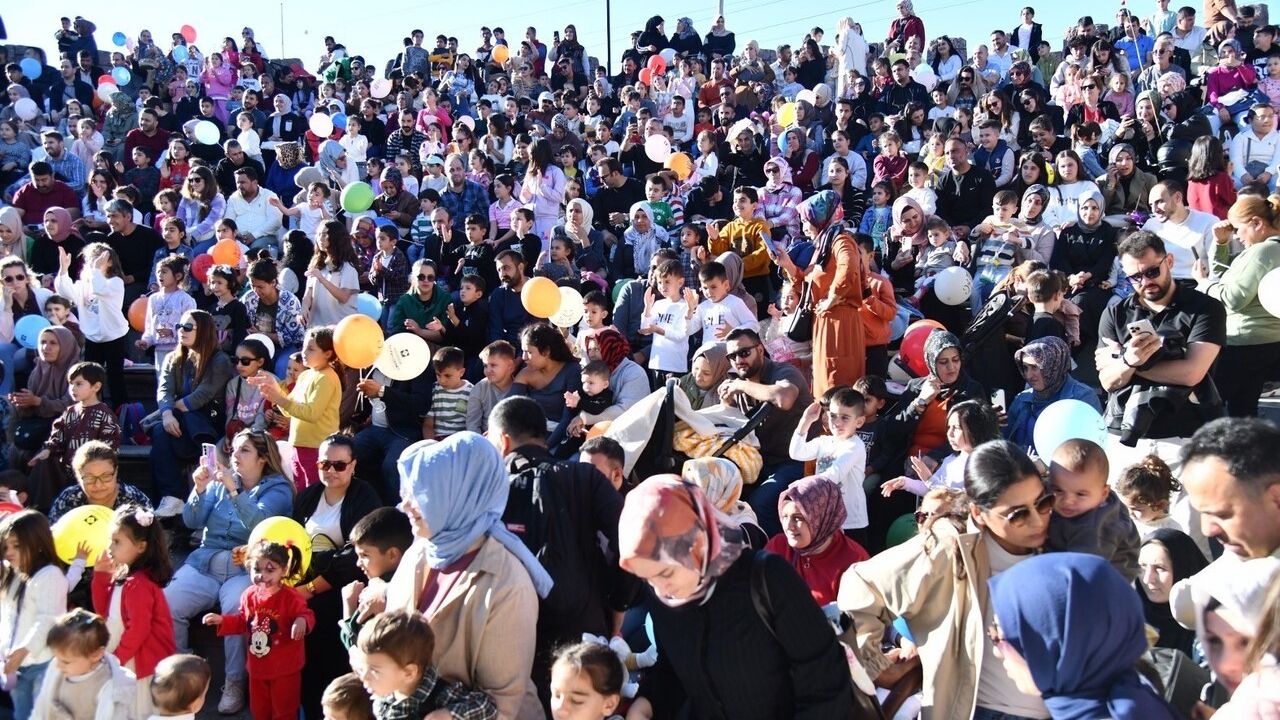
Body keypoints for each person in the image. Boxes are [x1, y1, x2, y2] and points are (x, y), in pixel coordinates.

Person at [840, 440, 1053, 720]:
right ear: (979, 514)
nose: (1037, 520)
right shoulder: (948, 548)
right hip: (976, 711)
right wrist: (875, 666)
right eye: (1018, 514)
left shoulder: (1062, 539)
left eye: (1043, 503)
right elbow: (861, 584)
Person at [619, 475, 856, 720]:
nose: (660, 589)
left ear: (697, 544)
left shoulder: (767, 579)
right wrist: (645, 705)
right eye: (647, 578)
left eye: (665, 573)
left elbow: (826, 680)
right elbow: (674, 669)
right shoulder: (665, 597)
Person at [385, 433, 550, 720]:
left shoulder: (508, 585)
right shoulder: (420, 552)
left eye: (420, 493)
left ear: (458, 494)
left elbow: (502, 705)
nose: (405, 505)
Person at [486, 396, 633, 707]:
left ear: (502, 441)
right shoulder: (584, 476)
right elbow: (632, 541)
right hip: (585, 628)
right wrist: (616, 606)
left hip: (511, 635)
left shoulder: (489, 492)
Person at [165, 428, 293, 715]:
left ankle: (234, 682)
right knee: (168, 602)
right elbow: (191, 520)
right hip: (205, 564)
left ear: (263, 458)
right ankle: (181, 673)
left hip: (244, 570)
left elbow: (260, 522)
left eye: (244, 450)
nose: (235, 455)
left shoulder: (279, 489)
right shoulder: (220, 481)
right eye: (233, 449)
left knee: (237, 610)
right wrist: (199, 489)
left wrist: (235, 492)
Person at [987, 552, 1181, 719]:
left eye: (1002, 638)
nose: (997, 652)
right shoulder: (1139, 700)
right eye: (993, 631)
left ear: (1062, 646)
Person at [1096, 231, 1226, 477]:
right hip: (1125, 433)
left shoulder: (1205, 308)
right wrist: (1128, 360)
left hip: (1186, 434)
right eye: (1135, 277)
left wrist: (1129, 362)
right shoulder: (1115, 313)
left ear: (1169, 261)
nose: (1145, 281)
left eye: (1152, 272)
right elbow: (1108, 381)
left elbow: (1191, 373)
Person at [291, 433, 382, 720]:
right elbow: (290, 540)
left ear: (353, 466)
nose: (330, 470)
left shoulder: (364, 496)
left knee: (320, 621)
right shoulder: (307, 497)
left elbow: (356, 555)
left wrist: (311, 586)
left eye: (339, 465)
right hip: (303, 580)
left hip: (343, 585)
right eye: (324, 464)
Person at [203, 541, 314, 720]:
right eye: (256, 569)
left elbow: (307, 614)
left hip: (285, 669)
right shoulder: (249, 595)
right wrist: (222, 620)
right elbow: (243, 622)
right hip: (257, 668)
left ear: (284, 570)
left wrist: (302, 621)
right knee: (259, 710)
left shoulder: (291, 597)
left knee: (284, 710)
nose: (262, 576)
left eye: (270, 570)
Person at [720, 328, 813, 537]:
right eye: (732, 356)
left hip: (797, 461)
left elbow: (784, 398)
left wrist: (740, 385)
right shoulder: (739, 384)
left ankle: (777, 553)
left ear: (760, 350)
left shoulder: (783, 371)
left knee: (759, 503)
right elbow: (731, 427)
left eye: (744, 353)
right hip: (760, 462)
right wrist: (726, 403)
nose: (738, 360)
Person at [1195, 194, 1280, 416]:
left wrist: (1203, 284)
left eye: (1237, 228)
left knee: (1208, 405)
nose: (1236, 235)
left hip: (1244, 342)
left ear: (1256, 223)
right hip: (1267, 341)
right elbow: (1224, 277)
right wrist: (1221, 244)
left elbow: (1233, 298)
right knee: (1244, 409)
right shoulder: (1267, 249)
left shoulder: (1262, 252)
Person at [777, 190, 866, 397]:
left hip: (838, 323)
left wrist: (832, 298)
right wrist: (787, 264)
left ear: (819, 217)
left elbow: (849, 267)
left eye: (806, 220)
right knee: (825, 383)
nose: (803, 227)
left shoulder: (841, 240)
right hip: (825, 322)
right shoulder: (823, 246)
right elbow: (808, 286)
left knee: (837, 384)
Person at [90, 504, 176, 718]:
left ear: (141, 546)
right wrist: (100, 576)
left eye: (117, 542)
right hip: (126, 659)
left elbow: (139, 628)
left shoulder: (139, 584)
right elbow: (104, 613)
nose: (110, 547)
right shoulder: (124, 577)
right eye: (110, 540)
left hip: (138, 664)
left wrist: (117, 659)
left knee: (138, 711)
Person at [147, 310, 235, 516]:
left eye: (188, 327)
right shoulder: (172, 358)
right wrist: (167, 414)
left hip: (206, 423)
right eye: (179, 326)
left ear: (203, 330)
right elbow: (164, 390)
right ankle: (172, 498)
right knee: (161, 431)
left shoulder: (219, 360)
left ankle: (174, 497)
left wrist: (172, 409)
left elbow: (202, 395)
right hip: (178, 422)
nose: (181, 331)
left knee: (162, 435)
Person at [356, 610, 498, 719]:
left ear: (409, 673)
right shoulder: (383, 699)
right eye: (363, 668)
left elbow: (487, 707)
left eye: (374, 671)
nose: (364, 677)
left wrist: (448, 714)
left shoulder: (441, 695)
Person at [251, 326, 343, 489]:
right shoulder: (306, 375)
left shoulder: (327, 378)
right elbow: (289, 409)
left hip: (317, 447)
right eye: (304, 347)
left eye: (311, 349)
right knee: (300, 490)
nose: (304, 352)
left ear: (328, 354)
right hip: (298, 444)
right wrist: (275, 391)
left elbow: (311, 413)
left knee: (312, 493)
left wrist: (280, 399)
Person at [0, 510, 68, 720]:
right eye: (6, 546)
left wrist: (24, 649)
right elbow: (7, 617)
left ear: (37, 543)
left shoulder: (50, 575)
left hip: (42, 663)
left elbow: (48, 620)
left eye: (17, 545)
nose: (9, 552)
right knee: (22, 715)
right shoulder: (12, 575)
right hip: (16, 665)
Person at [1045, 439, 1142, 581]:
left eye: (1080, 494)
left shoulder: (1097, 528)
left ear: (1104, 494)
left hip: (1108, 579)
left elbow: (1082, 572)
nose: (1068, 500)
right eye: (1058, 490)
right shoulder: (1087, 493)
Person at [763, 476, 869, 605]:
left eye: (798, 518)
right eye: (785, 516)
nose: (788, 526)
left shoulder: (854, 561)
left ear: (821, 517)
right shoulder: (778, 547)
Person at [54, 243, 129, 407]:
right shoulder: (84, 284)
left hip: (113, 335)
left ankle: (120, 410)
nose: (93, 263)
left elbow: (100, 289)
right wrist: (64, 270)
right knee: (90, 376)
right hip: (92, 337)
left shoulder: (115, 282)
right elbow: (65, 292)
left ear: (110, 262)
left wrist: (95, 270)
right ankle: (91, 408)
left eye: (98, 259)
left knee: (115, 376)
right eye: (90, 260)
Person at [31, 609, 138, 720]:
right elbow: (42, 706)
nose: (58, 665)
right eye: (56, 658)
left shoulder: (109, 686)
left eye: (66, 662)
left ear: (96, 655)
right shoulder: (58, 669)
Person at [1005, 337, 1103, 453]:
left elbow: (1091, 450)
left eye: (1035, 367)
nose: (1029, 375)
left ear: (1053, 365)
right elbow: (1004, 441)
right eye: (1025, 368)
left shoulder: (1082, 397)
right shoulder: (1022, 399)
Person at [5, 326, 76, 475]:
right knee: (15, 450)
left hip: (65, 431)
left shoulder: (77, 372)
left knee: (43, 456)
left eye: (53, 343)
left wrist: (39, 402)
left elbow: (72, 405)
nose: (46, 347)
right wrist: (22, 402)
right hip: (37, 427)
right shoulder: (38, 369)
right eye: (43, 342)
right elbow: (31, 408)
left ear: (65, 346)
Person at [1137, 528, 1210, 656]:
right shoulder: (1128, 618)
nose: (1147, 579)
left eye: (1159, 568)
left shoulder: (1213, 624)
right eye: (1142, 567)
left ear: (1183, 569)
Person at [1141, 179, 1218, 280]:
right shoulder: (1151, 225)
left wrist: (1207, 285)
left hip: (1196, 282)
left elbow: (1217, 265)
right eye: (1151, 205)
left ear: (1178, 197)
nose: (1154, 210)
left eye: (1159, 202)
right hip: (1163, 283)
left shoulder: (1208, 222)